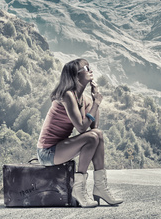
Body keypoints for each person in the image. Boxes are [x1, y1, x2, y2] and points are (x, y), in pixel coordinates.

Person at [36, 58, 123, 207]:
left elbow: (94, 126)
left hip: (61, 147)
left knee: (98, 135)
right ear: (76, 76)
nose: (90, 70)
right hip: (48, 152)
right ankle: (78, 189)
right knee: (91, 137)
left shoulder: (84, 99)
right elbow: (82, 128)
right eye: (85, 68)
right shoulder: (67, 95)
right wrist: (96, 103)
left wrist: (95, 100)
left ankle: (100, 187)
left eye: (89, 67)